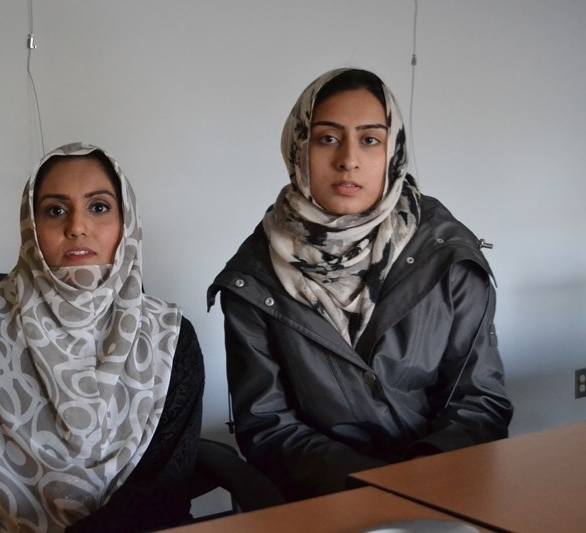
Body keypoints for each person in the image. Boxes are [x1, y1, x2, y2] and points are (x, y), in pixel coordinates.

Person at [207, 68, 513, 501]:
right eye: (327, 138)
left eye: (370, 139)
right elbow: (268, 425)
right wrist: (372, 490)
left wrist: (416, 484)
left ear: (394, 150)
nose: (348, 159)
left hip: (442, 495)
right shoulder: (255, 277)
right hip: (322, 503)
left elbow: (480, 402)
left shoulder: (447, 255)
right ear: (298, 146)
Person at [0, 142, 204, 532]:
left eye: (98, 207)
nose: (77, 226)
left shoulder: (168, 336)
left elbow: (163, 486)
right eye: (55, 210)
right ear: (31, 228)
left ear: (126, 224)